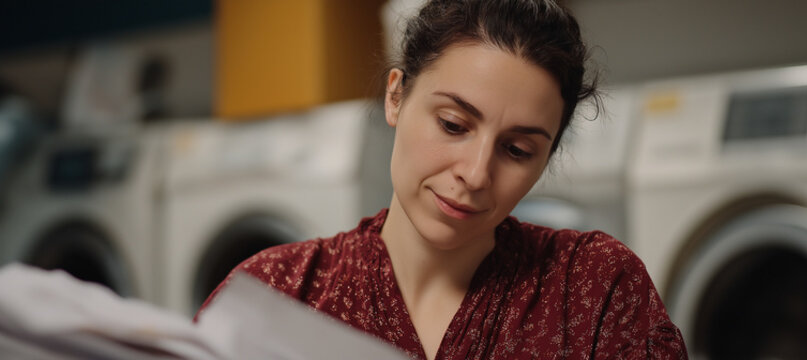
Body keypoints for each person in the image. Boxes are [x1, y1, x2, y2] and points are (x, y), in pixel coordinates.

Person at [198, 0, 687, 358]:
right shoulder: (277, 291)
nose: (475, 174)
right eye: (453, 125)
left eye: (517, 150)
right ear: (396, 97)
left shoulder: (597, 287)